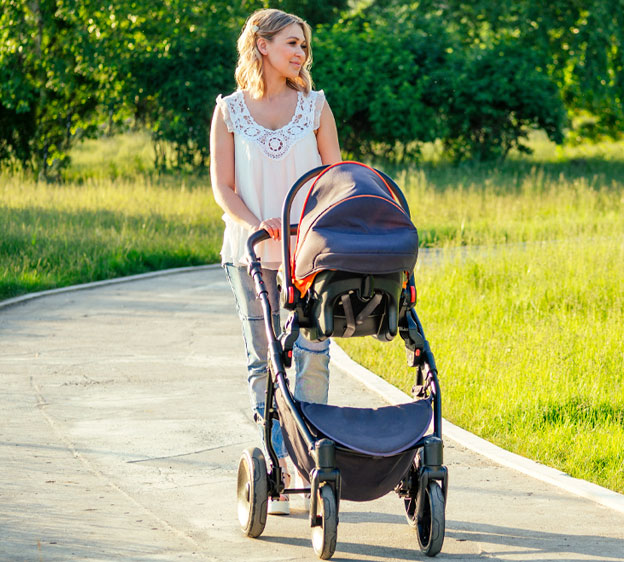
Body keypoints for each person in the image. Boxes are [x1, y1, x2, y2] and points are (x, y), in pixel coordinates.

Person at [209, 8, 342, 515]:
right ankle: (279, 460)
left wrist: (313, 224)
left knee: (312, 351)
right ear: (262, 45)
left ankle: (312, 460)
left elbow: (337, 176)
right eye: (292, 42)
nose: (301, 53)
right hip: (249, 253)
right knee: (263, 361)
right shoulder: (229, 111)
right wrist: (257, 222)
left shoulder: (316, 107)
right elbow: (223, 187)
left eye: (304, 46)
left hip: (308, 254)